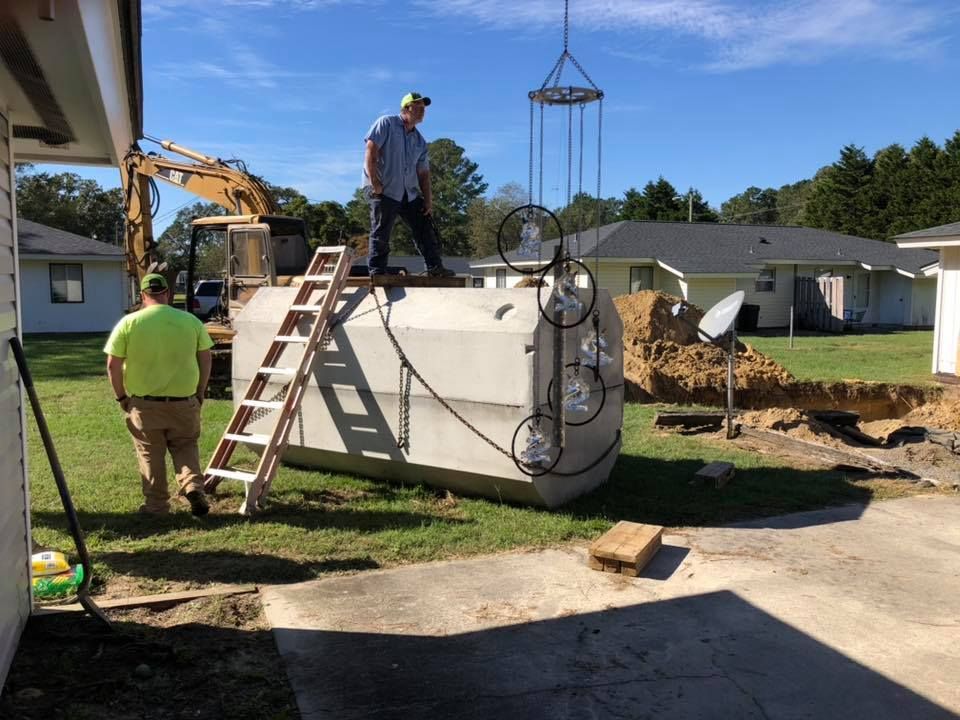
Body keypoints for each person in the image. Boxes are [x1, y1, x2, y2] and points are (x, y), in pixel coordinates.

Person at [104, 273, 214, 516]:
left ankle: (156, 506)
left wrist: (122, 397)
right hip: (184, 401)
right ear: (167, 294)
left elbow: (113, 364)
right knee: (185, 446)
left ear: (143, 295)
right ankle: (193, 486)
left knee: (150, 453)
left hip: (145, 404)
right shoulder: (191, 321)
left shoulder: (128, 323)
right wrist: (200, 391)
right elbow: (206, 357)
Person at [362, 91, 455, 277]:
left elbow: (424, 174)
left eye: (423, 108)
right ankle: (377, 272)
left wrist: (428, 201)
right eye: (417, 107)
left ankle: (435, 267)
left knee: (424, 228)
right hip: (384, 189)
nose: (422, 111)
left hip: (409, 193)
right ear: (406, 108)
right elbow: (371, 151)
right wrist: (375, 184)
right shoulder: (386, 123)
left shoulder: (419, 141)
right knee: (381, 230)